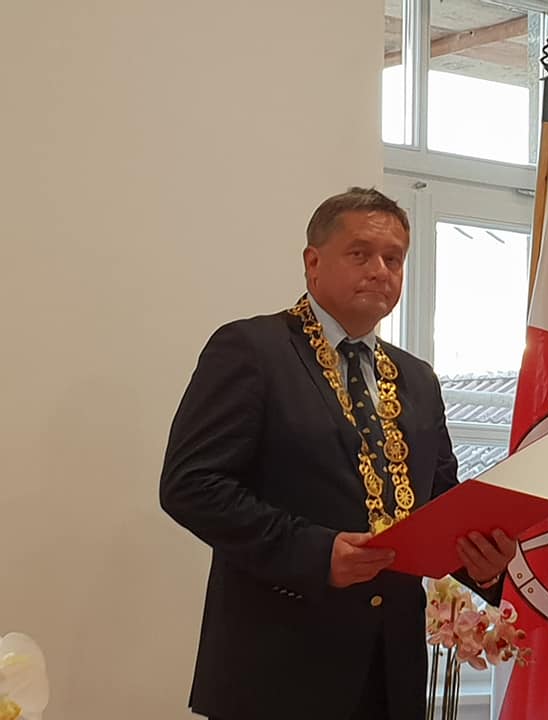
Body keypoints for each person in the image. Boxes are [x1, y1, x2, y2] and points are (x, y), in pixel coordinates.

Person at [160, 187, 517, 720]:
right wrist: (316, 552)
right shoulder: (253, 349)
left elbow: (438, 503)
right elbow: (190, 485)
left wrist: (480, 565)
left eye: (393, 258)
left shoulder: (418, 379)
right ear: (313, 263)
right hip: (275, 670)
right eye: (360, 254)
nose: (380, 271)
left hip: (391, 672)